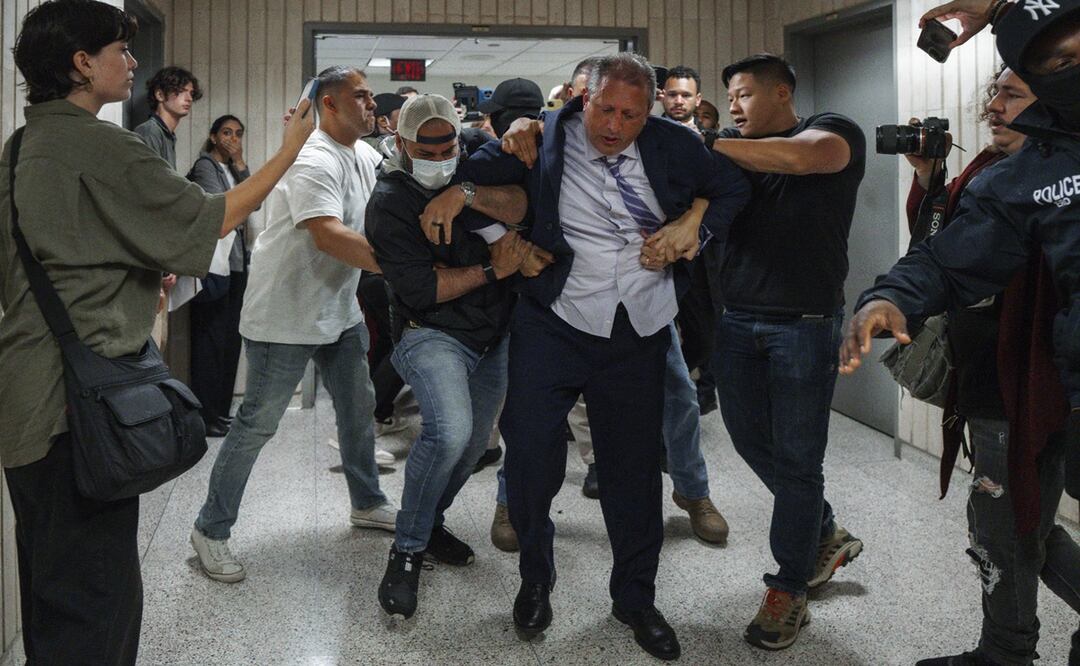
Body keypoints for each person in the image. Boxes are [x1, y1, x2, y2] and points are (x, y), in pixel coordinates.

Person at [0, 2, 314, 662]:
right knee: (98, 605)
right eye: (121, 49)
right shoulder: (101, 142)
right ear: (83, 63)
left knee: (53, 595)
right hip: (77, 413)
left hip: (26, 401)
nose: (134, 62)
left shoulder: (20, 147)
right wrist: (288, 151)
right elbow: (213, 218)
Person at [454, 52, 750, 661]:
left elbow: (731, 187)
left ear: (651, 111)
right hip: (555, 321)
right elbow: (464, 180)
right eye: (605, 109)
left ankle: (635, 597)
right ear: (582, 99)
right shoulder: (544, 133)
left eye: (631, 114)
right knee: (533, 458)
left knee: (632, 471)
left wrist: (695, 220)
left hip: (637, 328)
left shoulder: (673, 143)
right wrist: (503, 237)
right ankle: (537, 579)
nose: (615, 125)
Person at [841, 0, 1080, 662]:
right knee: (1006, 525)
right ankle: (1005, 649)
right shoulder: (1022, 177)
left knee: (1014, 528)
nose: (1001, 105)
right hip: (1009, 385)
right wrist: (893, 292)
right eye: (1050, 66)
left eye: (1016, 93)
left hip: (1035, 386)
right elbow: (947, 250)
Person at [191, 65, 394, 584]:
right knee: (257, 424)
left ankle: (367, 501)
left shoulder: (364, 152)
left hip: (337, 310)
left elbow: (401, 182)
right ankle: (210, 531)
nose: (372, 105)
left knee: (358, 408)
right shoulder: (311, 157)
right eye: (362, 96)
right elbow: (327, 234)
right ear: (328, 104)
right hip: (284, 316)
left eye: (371, 97)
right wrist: (405, 268)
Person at [368, 94, 552, 620]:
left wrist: (465, 192)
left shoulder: (472, 157)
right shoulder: (389, 200)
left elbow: (520, 204)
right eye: (424, 149)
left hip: (491, 334)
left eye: (445, 144)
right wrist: (497, 270)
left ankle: (429, 525)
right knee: (448, 431)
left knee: (472, 447)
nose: (437, 156)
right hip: (430, 332)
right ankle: (406, 550)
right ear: (401, 143)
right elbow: (421, 290)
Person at [708, 53, 866, 650]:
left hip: (804, 324)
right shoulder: (730, 150)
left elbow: (804, 158)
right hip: (737, 320)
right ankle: (823, 529)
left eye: (745, 94)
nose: (735, 107)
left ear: (781, 93)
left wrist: (711, 146)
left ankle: (789, 589)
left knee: (799, 461)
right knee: (750, 441)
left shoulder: (831, 129)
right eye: (731, 98)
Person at [186, 114, 251, 437]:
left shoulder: (231, 167)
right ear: (213, 137)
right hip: (212, 265)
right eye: (226, 132)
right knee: (210, 340)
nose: (233, 138)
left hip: (237, 262)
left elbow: (251, 202)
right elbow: (222, 207)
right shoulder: (205, 167)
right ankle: (207, 413)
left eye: (238, 133)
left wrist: (240, 162)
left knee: (229, 339)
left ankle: (222, 411)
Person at [660, 65, 703, 134]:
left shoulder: (711, 138)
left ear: (697, 100)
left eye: (686, 95)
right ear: (662, 97)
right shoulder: (645, 132)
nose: (679, 101)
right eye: (672, 95)